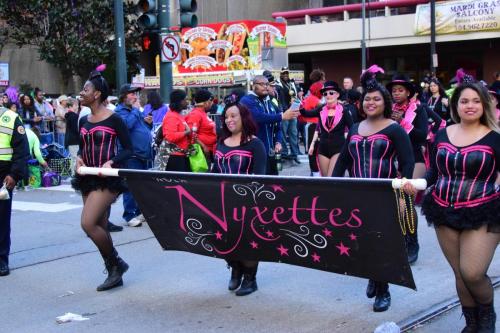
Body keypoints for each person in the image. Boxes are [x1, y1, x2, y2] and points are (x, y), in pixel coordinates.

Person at [410, 78, 499, 332]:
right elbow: (434, 173)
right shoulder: (441, 135)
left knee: (472, 272)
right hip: (443, 208)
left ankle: (487, 316)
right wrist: (416, 183)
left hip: (482, 211)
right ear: (455, 105)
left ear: (484, 105)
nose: (469, 106)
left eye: (475, 101)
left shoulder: (495, 139)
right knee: (459, 274)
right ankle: (472, 323)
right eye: (464, 101)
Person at [333, 65, 415, 312]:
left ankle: (383, 290)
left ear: (385, 102)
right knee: (362, 242)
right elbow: (345, 160)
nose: (370, 102)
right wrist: (332, 184)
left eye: (376, 99)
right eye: (367, 99)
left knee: (381, 244)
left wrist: (404, 188)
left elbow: (408, 161)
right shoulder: (356, 129)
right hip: (358, 196)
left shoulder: (394, 128)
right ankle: (373, 276)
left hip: (385, 196)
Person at [72, 70, 133, 291]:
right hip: (87, 177)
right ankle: (114, 271)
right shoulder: (83, 120)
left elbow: (128, 149)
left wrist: (112, 162)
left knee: (88, 223)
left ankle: (116, 263)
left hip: (107, 179)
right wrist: (79, 159)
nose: (81, 93)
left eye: (85, 89)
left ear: (96, 94)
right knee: (99, 225)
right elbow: (82, 147)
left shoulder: (115, 118)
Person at [212, 95, 266, 296]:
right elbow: (215, 172)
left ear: (244, 117)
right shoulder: (221, 142)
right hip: (222, 201)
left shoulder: (255, 144)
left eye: (234, 115)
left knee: (247, 242)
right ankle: (235, 267)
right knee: (221, 239)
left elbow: (261, 177)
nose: (229, 120)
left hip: (247, 203)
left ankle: (250, 279)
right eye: (226, 116)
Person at [386, 73, 428, 264]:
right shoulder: (387, 110)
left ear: (409, 92)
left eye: (400, 90)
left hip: (414, 159)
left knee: (406, 202)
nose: (396, 93)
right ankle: (399, 240)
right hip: (394, 161)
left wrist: (403, 122)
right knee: (394, 205)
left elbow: (422, 136)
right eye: (394, 90)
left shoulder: (419, 110)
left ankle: (412, 243)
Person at [240, 75, 298, 175]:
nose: (265, 87)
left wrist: (278, 141)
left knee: (273, 182)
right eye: (261, 84)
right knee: (259, 183)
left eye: (267, 84)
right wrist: (282, 116)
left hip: (270, 152)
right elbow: (258, 117)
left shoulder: (270, 102)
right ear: (253, 86)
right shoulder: (246, 100)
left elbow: (278, 126)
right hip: (253, 152)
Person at [115, 84, 153, 227]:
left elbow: (141, 128)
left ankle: (137, 212)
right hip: (131, 154)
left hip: (142, 153)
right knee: (131, 185)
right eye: (132, 94)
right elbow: (126, 127)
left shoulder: (133, 111)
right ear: (124, 95)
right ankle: (129, 214)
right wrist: (137, 111)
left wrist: (147, 123)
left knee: (140, 186)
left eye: (135, 94)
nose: (135, 96)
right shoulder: (120, 111)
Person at [300, 80, 353, 177]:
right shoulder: (321, 109)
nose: (328, 95)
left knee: (332, 178)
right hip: (323, 149)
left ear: (337, 95)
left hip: (339, 149)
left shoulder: (344, 111)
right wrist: (300, 105)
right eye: (325, 93)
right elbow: (306, 113)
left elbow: (352, 129)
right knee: (325, 180)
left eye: (331, 93)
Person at [0, 105, 29, 276]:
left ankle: (1, 259)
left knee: (1, 219)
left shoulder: (10, 117)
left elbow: (22, 150)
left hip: (3, 174)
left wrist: (14, 174)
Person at [275, 67, 301, 164]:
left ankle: (294, 154)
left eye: (287, 73)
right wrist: (282, 111)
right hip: (285, 112)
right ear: (281, 74)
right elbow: (279, 100)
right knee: (283, 134)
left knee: (294, 134)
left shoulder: (291, 83)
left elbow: (296, 96)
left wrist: (296, 102)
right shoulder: (278, 85)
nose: (285, 75)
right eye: (284, 73)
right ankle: (284, 154)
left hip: (293, 111)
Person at [161, 89, 191, 171]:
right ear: (180, 101)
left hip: (181, 155)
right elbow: (170, 137)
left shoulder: (178, 115)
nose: (187, 102)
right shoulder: (171, 116)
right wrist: (186, 132)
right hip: (174, 157)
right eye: (186, 99)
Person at [185, 89, 217, 164]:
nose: (211, 103)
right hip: (201, 153)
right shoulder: (195, 114)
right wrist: (204, 147)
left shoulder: (202, 113)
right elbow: (191, 133)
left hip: (208, 151)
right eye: (210, 100)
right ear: (206, 102)